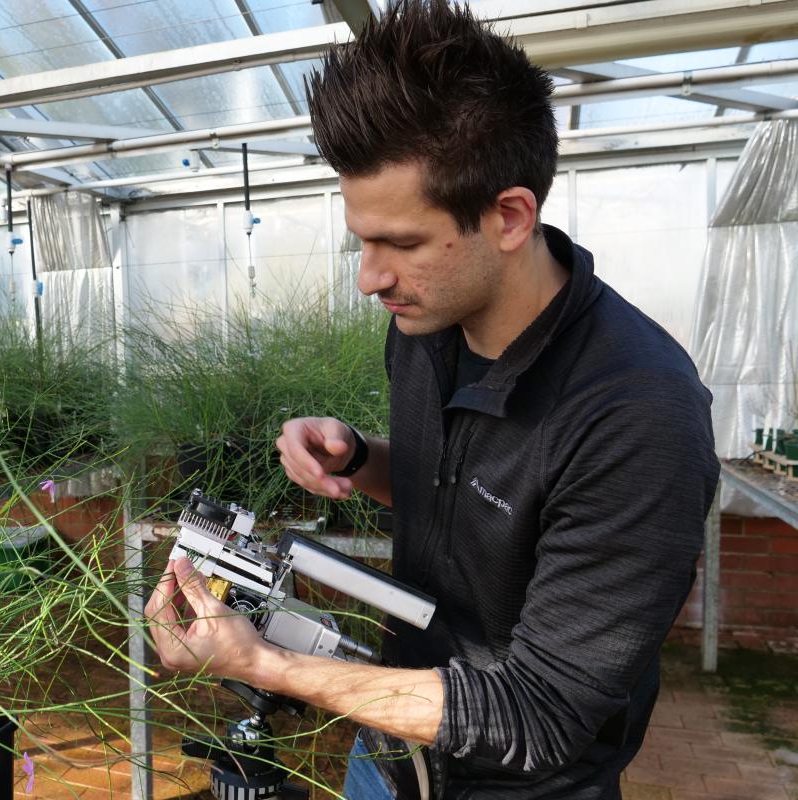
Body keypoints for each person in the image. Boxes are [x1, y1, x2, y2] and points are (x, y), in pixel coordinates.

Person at [144, 1, 719, 797]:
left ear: (510, 216)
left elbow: (540, 712)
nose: (369, 277)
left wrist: (267, 664)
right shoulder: (425, 322)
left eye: (402, 243)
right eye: (363, 241)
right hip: (389, 745)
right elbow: (458, 490)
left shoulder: (637, 414)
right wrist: (361, 456)